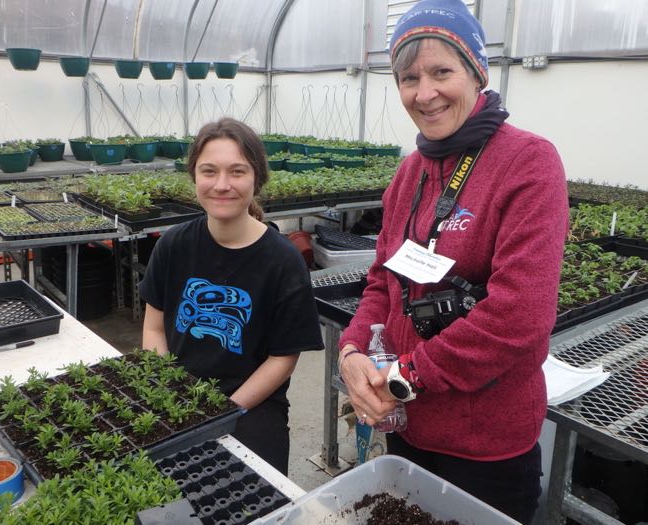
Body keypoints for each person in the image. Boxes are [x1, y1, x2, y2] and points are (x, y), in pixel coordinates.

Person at [337, 0, 568, 522]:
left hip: (485, 444)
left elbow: (520, 314)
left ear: (477, 72)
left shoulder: (528, 162)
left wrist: (408, 373)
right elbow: (382, 283)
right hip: (408, 427)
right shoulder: (409, 173)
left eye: (442, 71)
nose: (425, 93)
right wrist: (352, 353)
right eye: (408, 77)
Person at [139, 117, 324, 474]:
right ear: (194, 176)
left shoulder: (283, 261)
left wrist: (220, 413)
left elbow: (282, 358)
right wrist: (168, 392)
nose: (222, 185)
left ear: (257, 178)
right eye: (209, 171)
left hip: (250, 404)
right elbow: (155, 329)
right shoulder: (174, 245)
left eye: (237, 172)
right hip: (177, 394)